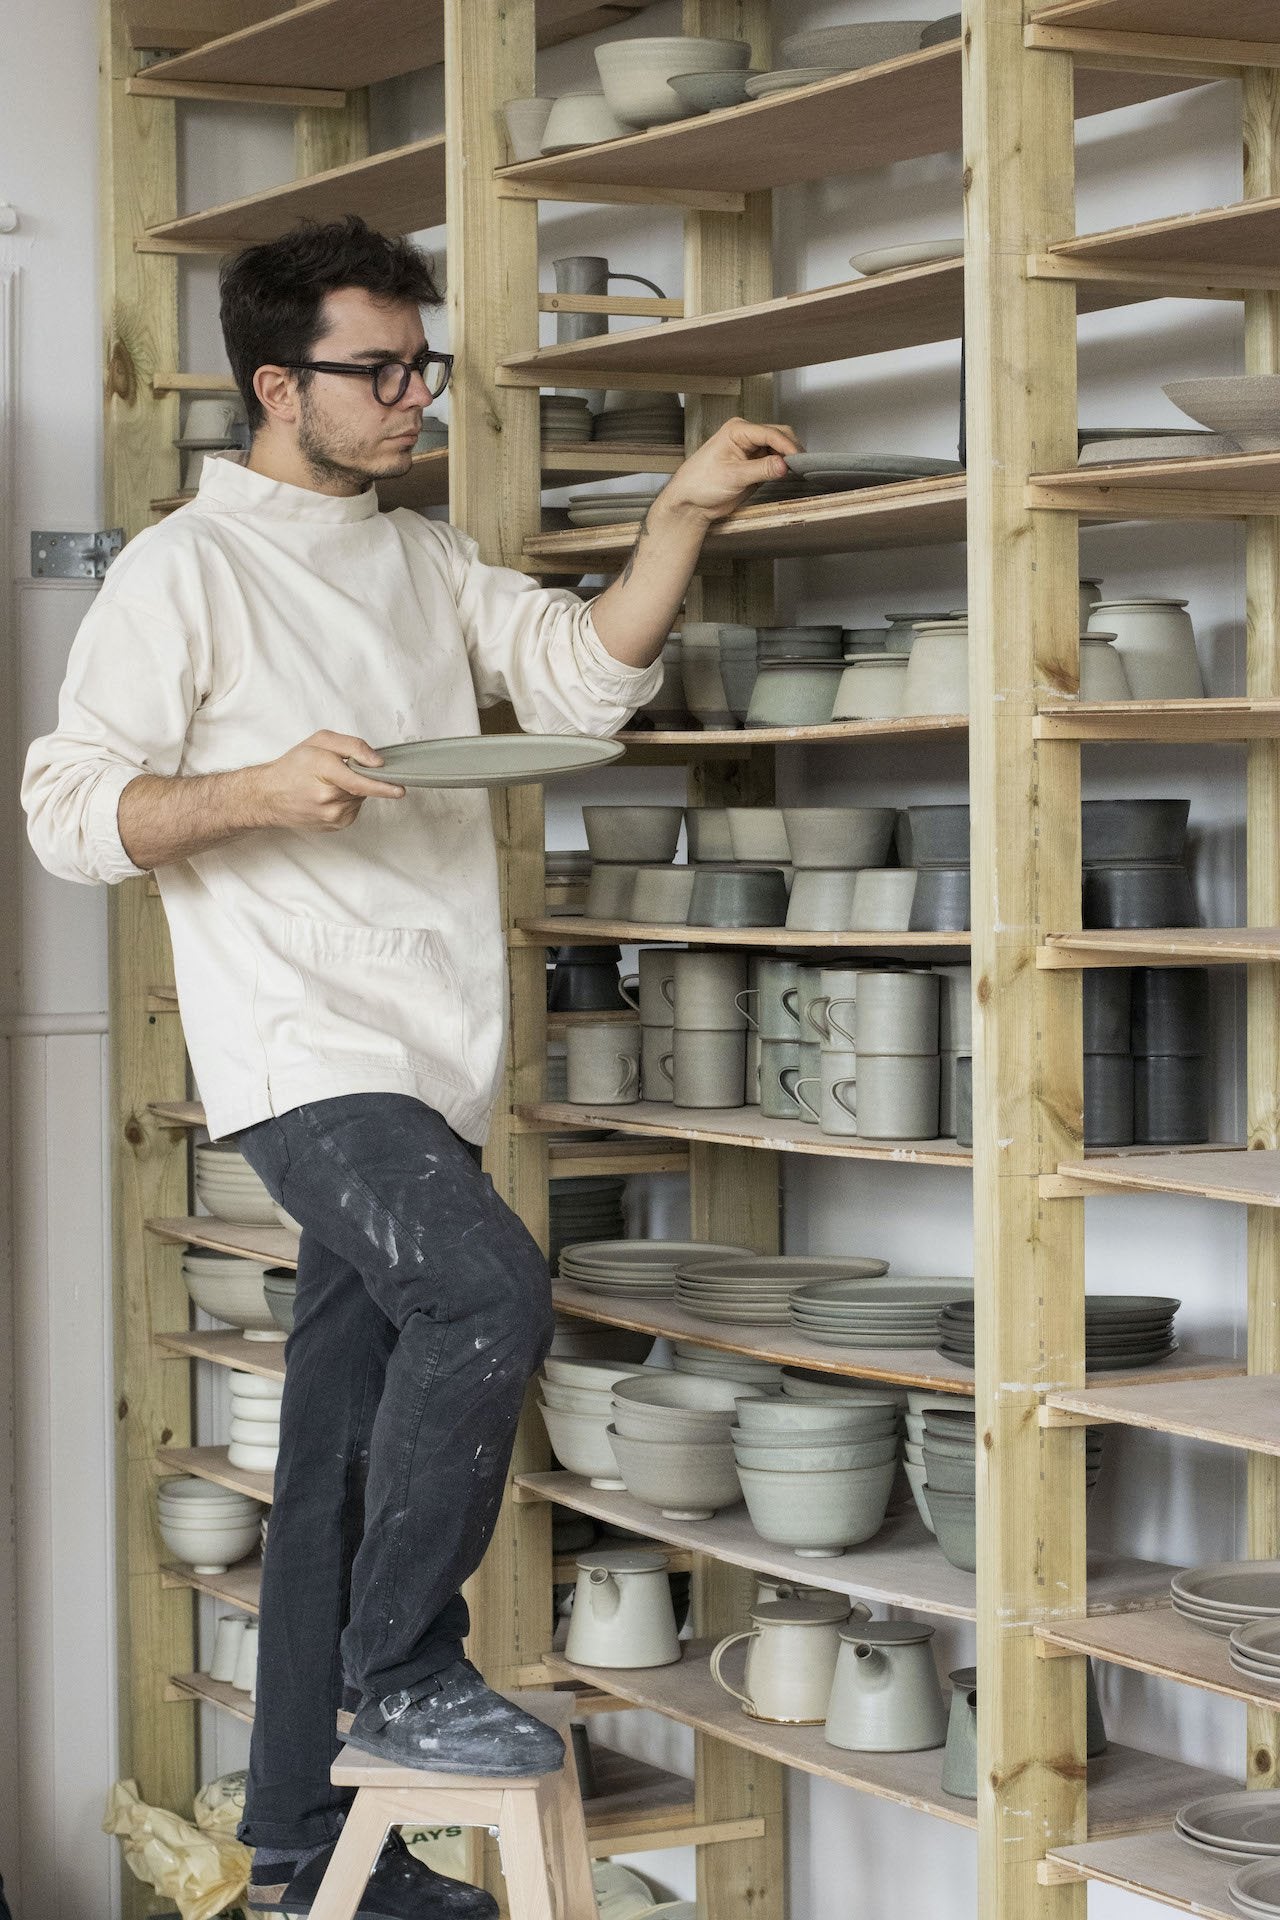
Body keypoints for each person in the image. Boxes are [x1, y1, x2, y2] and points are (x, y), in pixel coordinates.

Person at [23, 215, 799, 1920]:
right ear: (274, 386)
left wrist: (680, 514)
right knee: (489, 1292)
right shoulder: (182, 573)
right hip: (302, 1049)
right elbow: (67, 814)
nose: (414, 397)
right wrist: (254, 790)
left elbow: (579, 690)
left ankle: (302, 1859)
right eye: (377, 372)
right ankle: (407, 1672)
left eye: (420, 366)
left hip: (434, 1061)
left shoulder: (426, 559)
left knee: (330, 1463)